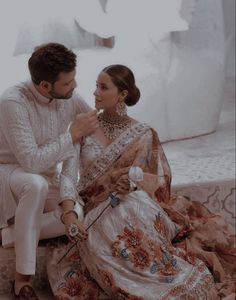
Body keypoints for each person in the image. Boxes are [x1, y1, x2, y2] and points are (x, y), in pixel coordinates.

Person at [47, 64, 235, 299]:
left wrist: (132, 185)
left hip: (134, 204)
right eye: (96, 86)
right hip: (95, 207)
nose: (95, 92)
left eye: (103, 87)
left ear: (122, 95)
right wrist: (70, 214)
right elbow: (68, 173)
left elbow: (156, 182)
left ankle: (169, 280)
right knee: (112, 220)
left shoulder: (143, 133)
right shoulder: (85, 126)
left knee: (129, 206)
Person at [0, 43, 98, 299]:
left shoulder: (69, 97)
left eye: (74, 78)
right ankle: (23, 280)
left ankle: (11, 233)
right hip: (11, 172)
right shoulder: (13, 101)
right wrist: (72, 134)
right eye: (68, 83)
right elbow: (31, 162)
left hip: (45, 174)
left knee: (77, 214)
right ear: (45, 86)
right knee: (36, 184)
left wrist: (67, 207)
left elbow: (92, 126)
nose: (75, 86)